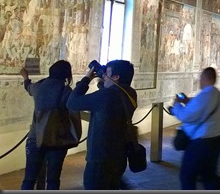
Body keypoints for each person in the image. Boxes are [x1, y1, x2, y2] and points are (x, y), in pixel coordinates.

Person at [67, 60, 137, 190]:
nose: (104, 75)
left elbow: (72, 102)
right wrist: (103, 78)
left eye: (107, 72)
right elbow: (110, 93)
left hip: (99, 159)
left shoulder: (106, 96)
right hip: (119, 156)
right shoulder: (131, 93)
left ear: (116, 77)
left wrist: (86, 79)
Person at [20, 60, 80, 190]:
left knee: (29, 179)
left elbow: (28, 86)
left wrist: (25, 76)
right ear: (66, 75)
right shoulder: (66, 91)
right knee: (53, 179)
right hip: (58, 139)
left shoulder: (38, 87)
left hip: (36, 137)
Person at [171, 67, 220, 190]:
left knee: (187, 176)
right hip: (217, 139)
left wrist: (176, 105)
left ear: (205, 78)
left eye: (200, 78)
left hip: (201, 142)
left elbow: (187, 116)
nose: (199, 81)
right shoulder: (219, 94)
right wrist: (187, 101)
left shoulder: (205, 95)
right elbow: (202, 109)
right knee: (209, 175)